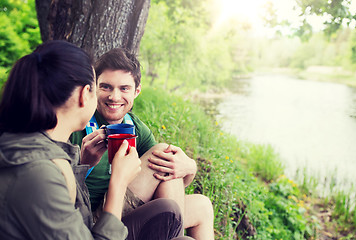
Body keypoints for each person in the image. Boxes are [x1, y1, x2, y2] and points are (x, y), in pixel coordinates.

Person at [0, 40, 191, 240]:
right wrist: (118, 181)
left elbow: (76, 216)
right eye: (100, 87)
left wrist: (84, 164)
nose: (112, 97)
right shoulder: (38, 172)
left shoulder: (35, 145)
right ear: (85, 94)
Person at [71, 48, 214, 239]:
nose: (114, 96)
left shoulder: (135, 127)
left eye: (124, 88)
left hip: (125, 209)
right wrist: (83, 162)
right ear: (94, 87)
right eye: (106, 87)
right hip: (96, 220)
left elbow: (169, 180)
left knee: (202, 206)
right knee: (162, 153)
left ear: (136, 91)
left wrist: (190, 167)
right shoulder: (78, 123)